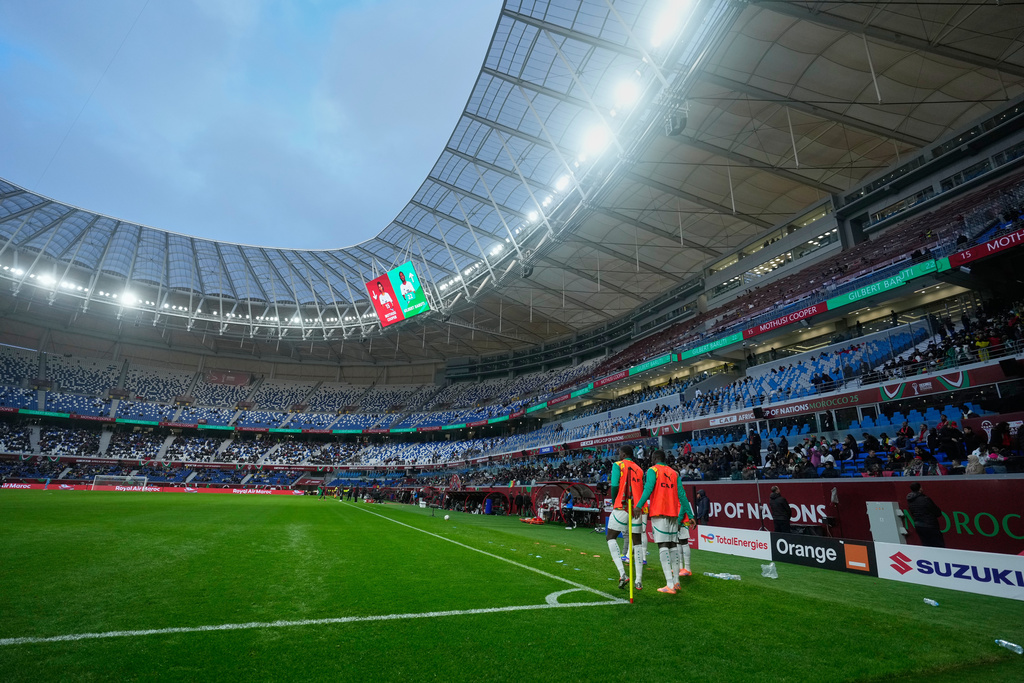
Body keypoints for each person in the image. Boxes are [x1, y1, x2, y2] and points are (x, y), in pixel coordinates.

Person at [633, 450, 693, 594]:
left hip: (659, 513)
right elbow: (682, 495)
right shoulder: (674, 473)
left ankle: (669, 584)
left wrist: (639, 505)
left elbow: (648, 489)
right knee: (673, 546)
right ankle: (676, 581)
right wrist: (690, 515)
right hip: (673, 514)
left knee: (663, 546)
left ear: (654, 458)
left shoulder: (653, 470)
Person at [606, 445, 645, 591]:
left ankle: (623, 574)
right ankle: (638, 580)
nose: (618, 455)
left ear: (623, 454)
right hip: (637, 508)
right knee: (637, 542)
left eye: (619, 453)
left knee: (610, 537)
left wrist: (614, 500)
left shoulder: (618, 465)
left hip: (622, 506)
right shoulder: (639, 469)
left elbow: (615, 485)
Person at [907, 482, 944, 547]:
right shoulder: (925, 499)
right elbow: (937, 511)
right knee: (939, 545)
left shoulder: (910, 500)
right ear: (920, 489)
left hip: (918, 526)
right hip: (930, 526)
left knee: (926, 545)